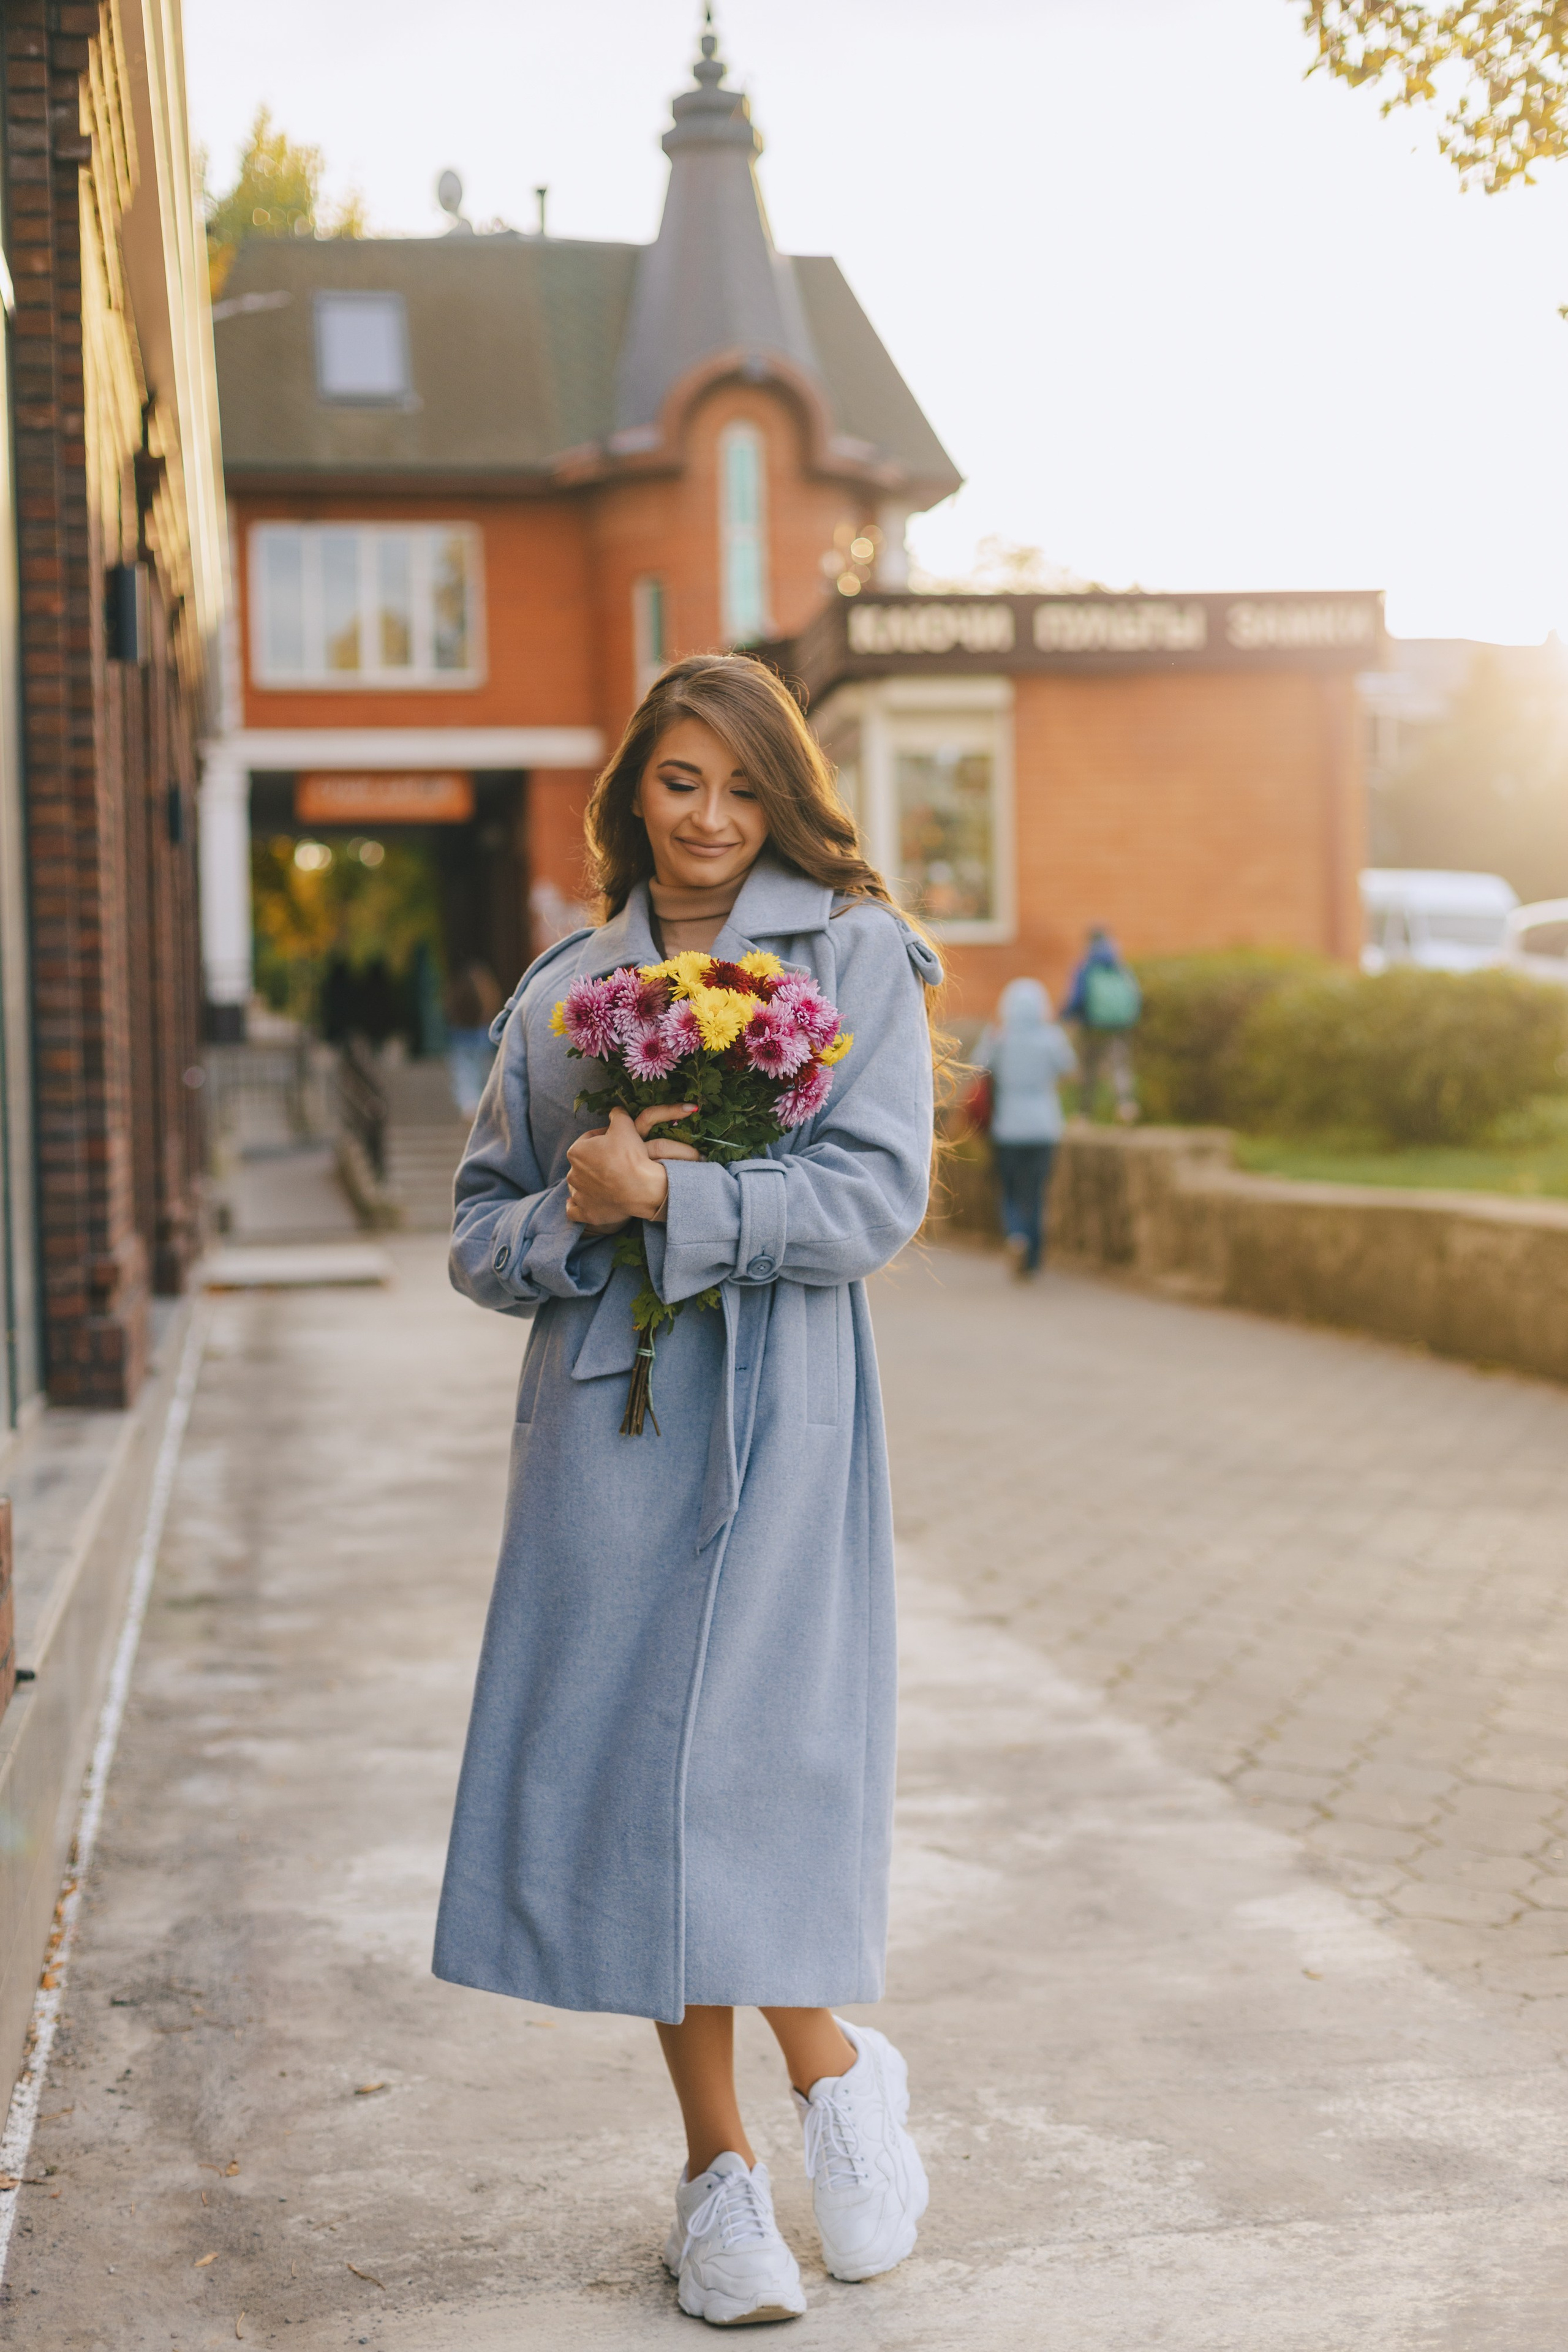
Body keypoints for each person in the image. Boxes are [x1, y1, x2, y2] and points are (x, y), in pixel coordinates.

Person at [435, 653, 942, 2326]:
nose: (711, 820)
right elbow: (481, 1236)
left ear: (782, 794)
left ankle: (835, 2076)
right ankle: (720, 2175)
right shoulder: (566, 985)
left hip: (788, 1408)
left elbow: (873, 1201)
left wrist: (683, 1201)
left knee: (754, 1763)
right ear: (631, 792)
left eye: (742, 786)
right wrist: (582, 1218)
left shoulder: (857, 953)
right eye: (678, 783)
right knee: (648, 1774)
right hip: (612, 1422)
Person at [973, 978, 1076, 1276]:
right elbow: (1068, 1068)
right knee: (1036, 1192)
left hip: (1008, 1128)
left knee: (1010, 1190)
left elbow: (979, 1067)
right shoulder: (1052, 1037)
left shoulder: (999, 1036)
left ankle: (1016, 1234)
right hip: (1045, 1126)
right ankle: (1034, 1257)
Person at [1064, 924, 1140, 1122]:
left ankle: (1085, 1112)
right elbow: (1135, 993)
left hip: (1092, 1025)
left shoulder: (1086, 965)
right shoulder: (1119, 964)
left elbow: (1077, 998)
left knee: (1090, 1068)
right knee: (1120, 1065)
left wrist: (1066, 1016)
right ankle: (1125, 1105)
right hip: (1120, 1025)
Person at [443, 959, 503, 1115]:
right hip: (480, 1034)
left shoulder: (458, 988)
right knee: (484, 1071)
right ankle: (483, 1105)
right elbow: (492, 1005)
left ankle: (469, 1106)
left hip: (461, 1034)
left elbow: (449, 1007)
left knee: (464, 1072)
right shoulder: (485, 987)